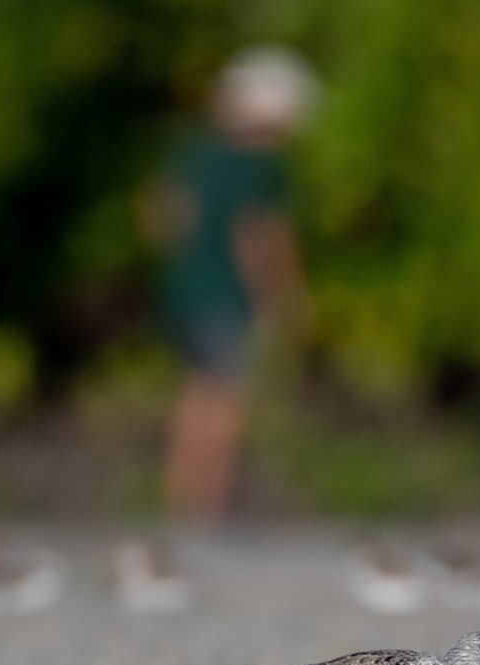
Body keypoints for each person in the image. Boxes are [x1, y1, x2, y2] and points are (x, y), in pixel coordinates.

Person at [120, 46, 317, 610]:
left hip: (184, 292)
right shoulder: (260, 166)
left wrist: (186, 262)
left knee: (195, 398)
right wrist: (284, 298)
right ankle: (203, 516)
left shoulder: (193, 153)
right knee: (224, 405)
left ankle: (184, 510)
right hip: (228, 297)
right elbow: (259, 236)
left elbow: (161, 214)